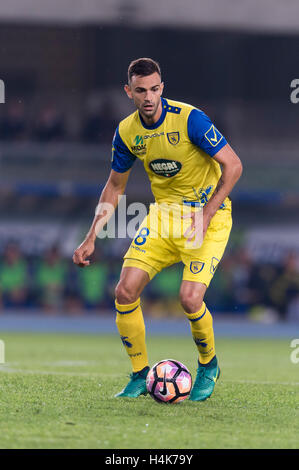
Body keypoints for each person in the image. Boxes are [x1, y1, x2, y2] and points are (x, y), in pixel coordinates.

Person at [73, 58, 242, 401]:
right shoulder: (126, 132)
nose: (148, 97)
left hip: (208, 216)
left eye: (154, 89)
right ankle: (139, 374)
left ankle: (208, 365)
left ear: (162, 87)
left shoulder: (191, 120)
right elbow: (115, 186)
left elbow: (234, 165)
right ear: (129, 92)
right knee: (124, 291)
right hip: (163, 217)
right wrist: (92, 236)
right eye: (140, 91)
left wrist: (208, 212)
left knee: (190, 298)